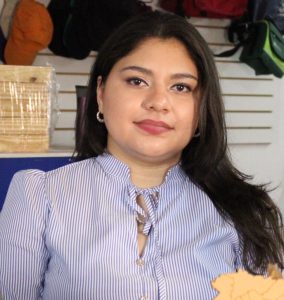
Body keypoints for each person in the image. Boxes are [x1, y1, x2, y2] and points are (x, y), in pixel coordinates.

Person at [0, 11, 284, 300]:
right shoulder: (39, 197)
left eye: (181, 87)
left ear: (201, 109)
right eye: (137, 81)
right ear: (100, 92)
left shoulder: (246, 214)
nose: (158, 102)